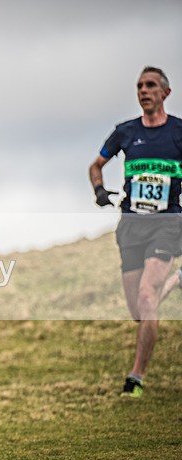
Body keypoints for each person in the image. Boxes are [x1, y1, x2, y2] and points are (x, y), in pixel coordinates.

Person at [88, 66, 182, 399]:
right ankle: (176, 281)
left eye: (151, 85)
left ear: (165, 93)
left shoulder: (178, 133)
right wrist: (100, 191)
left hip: (167, 225)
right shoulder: (125, 132)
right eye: (140, 86)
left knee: (146, 297)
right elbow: (96, 165)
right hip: (131, 226)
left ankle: (136, 378)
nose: (144, 90)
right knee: (137, 311)